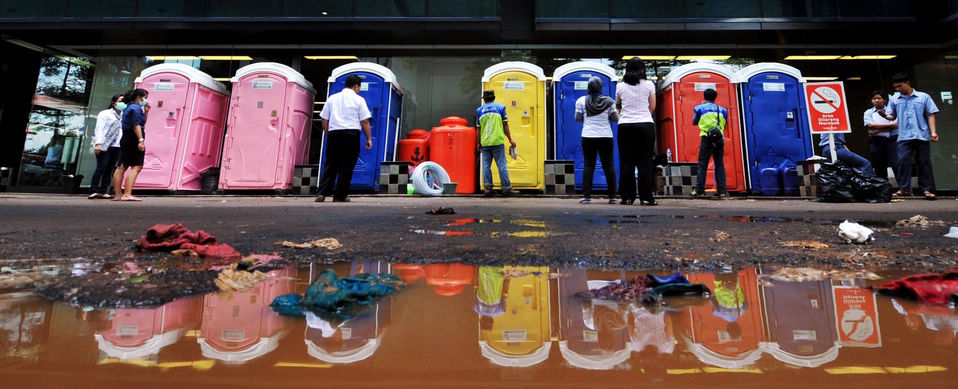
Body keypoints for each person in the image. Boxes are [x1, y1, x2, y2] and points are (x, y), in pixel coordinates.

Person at [878, 72, 940, 199]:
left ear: (907, 83)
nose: (898, 89)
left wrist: (933, 132)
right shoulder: (895, 99)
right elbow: (892, 116)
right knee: (902, 162)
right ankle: (905, 188)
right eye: (896, 87)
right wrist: (884, 115)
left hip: (921, 134)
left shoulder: (923, 97)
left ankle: (926, 189)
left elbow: (930, 114)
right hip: (903, 135)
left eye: (900, 86)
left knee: (923, 162)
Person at [316, 74, 373, 203]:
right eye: (359, 87)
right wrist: (369, 138)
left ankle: (322, 193)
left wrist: (327, 134)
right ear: (356, 86)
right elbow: (364, 121)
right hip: (351, 135)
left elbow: (324, 118)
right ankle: (339, 196)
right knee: (346, 166)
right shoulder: (359, 100)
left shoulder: (332, 98)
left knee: (331, 164)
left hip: (334, 134)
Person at [615, 57, 657, 206]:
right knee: (645, 162)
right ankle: (646, 198)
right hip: (645, 125)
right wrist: (643, 116)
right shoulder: (649, 84)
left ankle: (627, 198)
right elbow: (652, 107)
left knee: (627, 162)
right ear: (643, 69)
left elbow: (618, 104)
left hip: (625, 125)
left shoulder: (620, 86)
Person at [575, 76, 619, 204]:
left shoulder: (581, 101)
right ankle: (612, 197)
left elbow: (577, 118)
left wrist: (588, 119)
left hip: (588, 136)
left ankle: (587, 197)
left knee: (589, 165)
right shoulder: (610, 101)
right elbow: (615, 118)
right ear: (600, 87)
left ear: (589, 87)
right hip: (606, 136)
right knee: (609, 165)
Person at [475, 90, 517, 197]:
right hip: (497, 141)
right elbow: (505, 125)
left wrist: (478, 143)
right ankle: (506, 188)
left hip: (485, 142)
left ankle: (488, 189)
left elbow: (478, 129)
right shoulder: (501, 108)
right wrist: (510, 139)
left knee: (486, 166)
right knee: (502, 166)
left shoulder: (479, 111)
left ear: (484, 100)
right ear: (494, 98)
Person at [112, 88, 149, 201]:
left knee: (121, 166)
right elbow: (137, 125)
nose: (146, 100)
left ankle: (118, 194)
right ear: (139, 97)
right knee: (137, 166)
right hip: (134, 137)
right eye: (145, 98)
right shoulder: (136, 108)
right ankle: (127, 194)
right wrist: (141, 140)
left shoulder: (129, 107)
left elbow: (141, 122)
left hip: (126, 137)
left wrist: (146, 111)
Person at [691, 88, 729, 197]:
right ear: (715, 97)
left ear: (704, 96)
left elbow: (694, 122)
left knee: (703, 164)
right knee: (719, 164)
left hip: (706, 137)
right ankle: (722, 190)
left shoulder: (699, 108)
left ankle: (699, 190)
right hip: (719, 138)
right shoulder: (723, 110)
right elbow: (725, 125)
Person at [88, 93, 125, 199]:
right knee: (101, 167)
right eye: (120, 101)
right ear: (114, 103)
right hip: (105, 144)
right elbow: (99, 128)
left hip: (117, 145)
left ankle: (104, 190)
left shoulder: (124, 115)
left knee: (110, 168)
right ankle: (93, 190)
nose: (123, 103)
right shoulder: (105, 114)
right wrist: (98, 143)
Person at [864, 90, 899, 180]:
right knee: (879, 166)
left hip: (892, 140)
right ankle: (883, 188)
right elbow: (870, 125)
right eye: (874, 99)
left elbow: (896, 125)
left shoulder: (891, 111)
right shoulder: (868, 112)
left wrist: (876, 130)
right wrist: (890, 126)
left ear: (884, 100)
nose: (876, 100)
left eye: (879, 98)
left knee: (896, 164)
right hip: (876, 141)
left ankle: (902, 187)